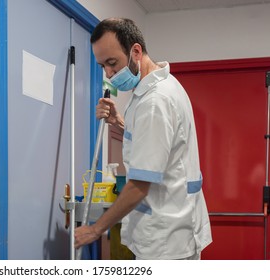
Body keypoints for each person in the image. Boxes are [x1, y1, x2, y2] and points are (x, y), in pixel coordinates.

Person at [74, 18, 212, 260]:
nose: (108, 73)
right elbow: (159, 144)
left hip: (164, 240)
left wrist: (95, 229)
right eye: (102, 66)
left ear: (135, 51)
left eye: (112, 63)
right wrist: (119, 122)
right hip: (173, 231)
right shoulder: (166, 85)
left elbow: (139, 185)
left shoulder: (154, 101)